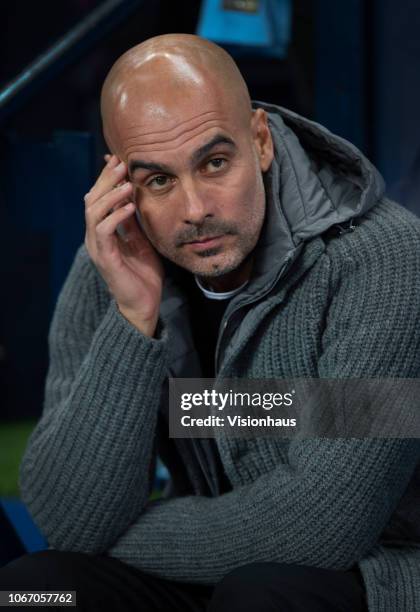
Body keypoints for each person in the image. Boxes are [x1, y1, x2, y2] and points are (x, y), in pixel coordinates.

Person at [1, 33, 420, 612]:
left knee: (258, 597)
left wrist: (116, 539)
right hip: (208, 570)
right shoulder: (114, 263)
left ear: (261, 140)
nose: (195, 210)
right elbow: (66, 515)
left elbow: (323, 521)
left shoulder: (384, 259)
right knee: (31, 591)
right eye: (159, 180)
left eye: (215, 162)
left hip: (372, 576)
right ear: (120, 182)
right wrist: (133, 319)